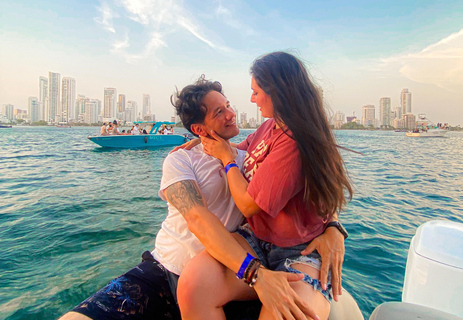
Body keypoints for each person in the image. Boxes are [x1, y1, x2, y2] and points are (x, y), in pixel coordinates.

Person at [59, 77, 344, 320]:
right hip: (168, 270)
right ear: (198, 128)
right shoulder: (181, 160)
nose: (231, 113)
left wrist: (333, 226)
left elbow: (302, 181)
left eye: (228, 105)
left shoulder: (246, 157)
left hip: (227, 273)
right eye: (219, 112)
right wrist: (256, 274)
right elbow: (197, 219)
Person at [177, 52, 352, 320]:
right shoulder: (270, 127)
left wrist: (225, 158)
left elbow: (248, 203)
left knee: (287, 313)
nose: (252, 99)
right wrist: (205, 141)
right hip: (256, 240)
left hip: (299, 250)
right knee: (193, 286)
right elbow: (241, 149)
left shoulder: (295, 139)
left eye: (256, 91)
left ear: (277, 92)